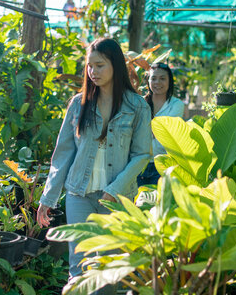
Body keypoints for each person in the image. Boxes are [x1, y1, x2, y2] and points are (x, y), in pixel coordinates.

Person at [37, 38, 151, 294]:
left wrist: (115, 188)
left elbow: (142, 154)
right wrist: (48, 197)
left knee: (109, 271)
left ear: (115, 65)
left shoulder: (138, 107)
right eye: (90, 66)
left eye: (99, 65)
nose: (93, 72)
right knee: (79, 268)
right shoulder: (78, 104)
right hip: (79, 194)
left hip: (116, 199)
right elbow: (63, 153)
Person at [137, 62, 185, 187]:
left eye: (162, 78)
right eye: (153, 78)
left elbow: (165, 132)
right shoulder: (140, 103)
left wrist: (146, 129)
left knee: (158, 204)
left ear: (169, 82)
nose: (157, 82)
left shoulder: (176, 105)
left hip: (163, 165)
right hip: (138, 163)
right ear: (148, 81)